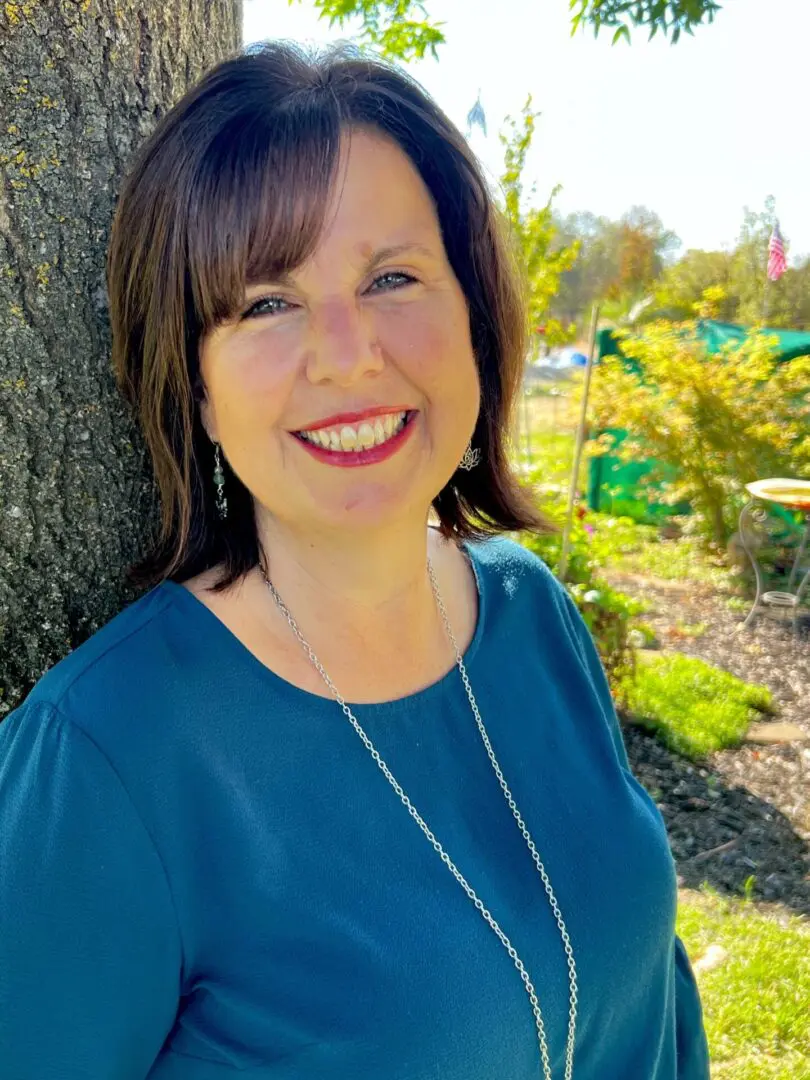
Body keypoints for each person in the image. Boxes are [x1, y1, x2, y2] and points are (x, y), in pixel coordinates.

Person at [0, 42, 710, 1080]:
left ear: (472, 314)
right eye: (266, 303)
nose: (347, 350)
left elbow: (652, 1004)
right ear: (194, 385)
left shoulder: (536, 618)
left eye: (391, 277)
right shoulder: (103, 756)